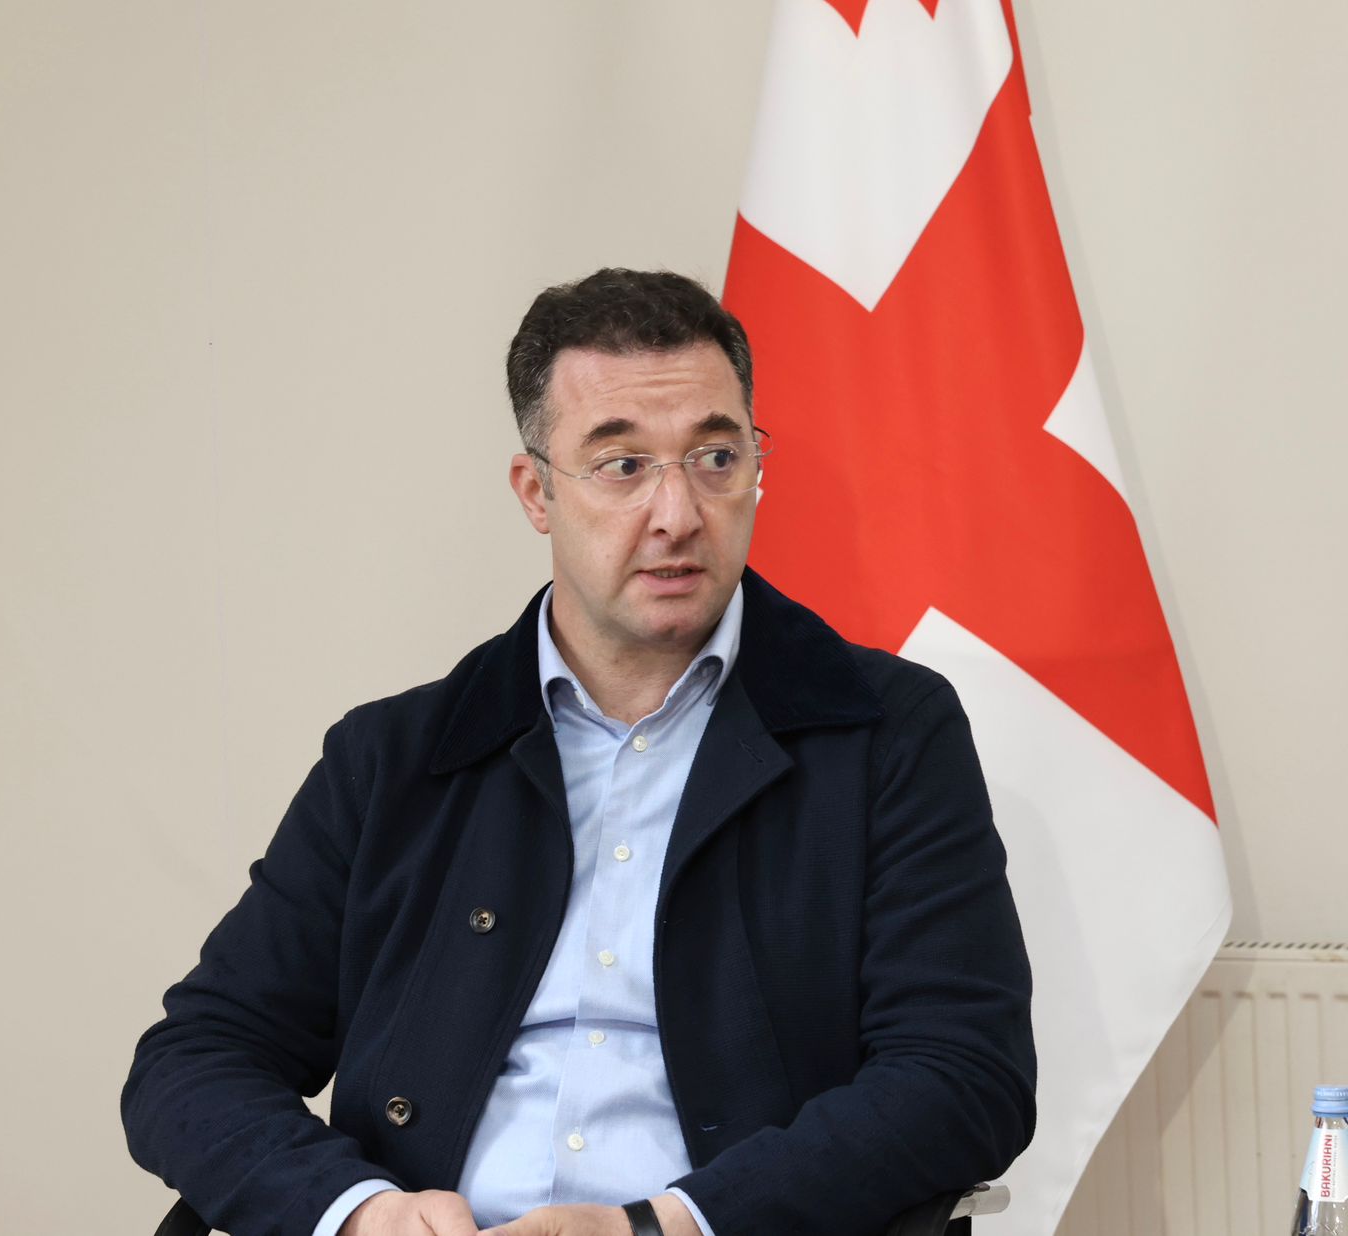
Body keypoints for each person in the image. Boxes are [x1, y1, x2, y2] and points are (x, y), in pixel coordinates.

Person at [122, 269, 1037, 1236]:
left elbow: (964, 1074)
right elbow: (196, 1059)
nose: (679, 514)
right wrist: (361, 1214)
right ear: (537, 493)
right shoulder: (393, 757)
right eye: (622, 465)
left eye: (716, 457)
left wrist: (665, 1225)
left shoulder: (887, 731)